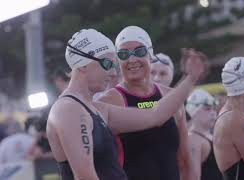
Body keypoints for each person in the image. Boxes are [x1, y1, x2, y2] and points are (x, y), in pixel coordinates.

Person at [46, 29, 204, 180]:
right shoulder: (69, 110)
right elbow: (85, 177)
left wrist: (190, 78)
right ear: (83, 64)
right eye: (107, 64)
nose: (114, 73)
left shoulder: (97, 109)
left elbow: (154, 115)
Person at [98, 26, 193, 180]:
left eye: (139, 52)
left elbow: (185, 160)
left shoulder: (170, 96)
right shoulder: (109, 102)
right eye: (123, 54)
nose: (132, 59)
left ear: (151, 55)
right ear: (117, 60)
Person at [186, 89, 222, 180]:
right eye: (207, 109)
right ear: (194, 111)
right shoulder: (193, 140)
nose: (213, 113)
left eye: (214, 109)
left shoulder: (210, 136)